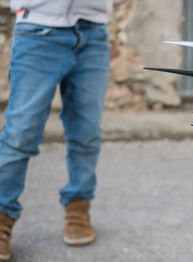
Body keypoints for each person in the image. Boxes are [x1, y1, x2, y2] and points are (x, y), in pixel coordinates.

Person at [0, 0, 113, 260]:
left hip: (93, 31)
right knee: (20, 133)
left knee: (87, 132)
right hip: (37, 29)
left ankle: (78, 206)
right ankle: (2, 217)